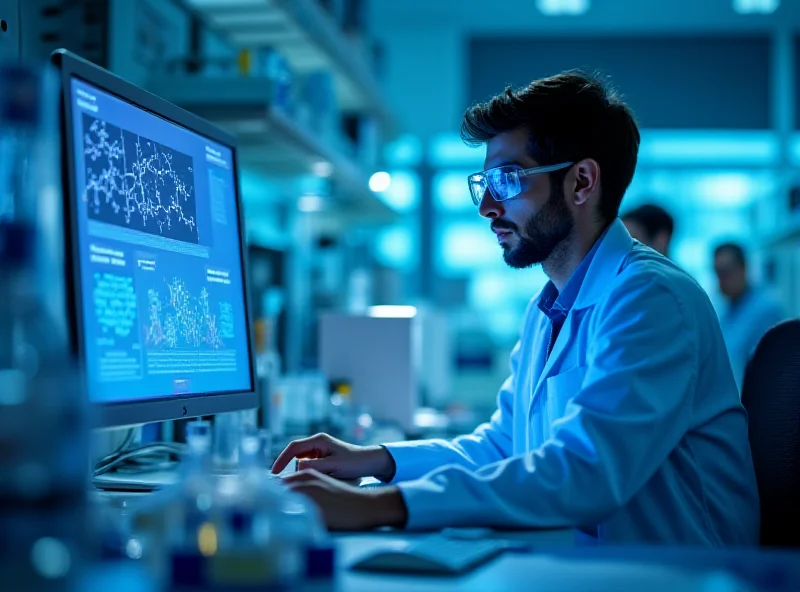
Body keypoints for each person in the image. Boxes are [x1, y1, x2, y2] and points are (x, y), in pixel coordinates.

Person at [274, 71, 759, 545]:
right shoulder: (547, 307)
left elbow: (584, 472)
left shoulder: (651, 299)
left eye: (506, 179)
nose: (486, 205)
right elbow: (504, 446)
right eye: (484, 181)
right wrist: (376, 460)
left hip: (681, 574)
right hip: (585, 564)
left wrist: (376, 505)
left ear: (581, 182)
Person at [713, 242, 785, 391]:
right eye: (717, 273)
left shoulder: (766, 310)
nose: (721, 281)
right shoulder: (725, 310)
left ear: (743, 268)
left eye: (726, 272)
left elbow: (772, 372)